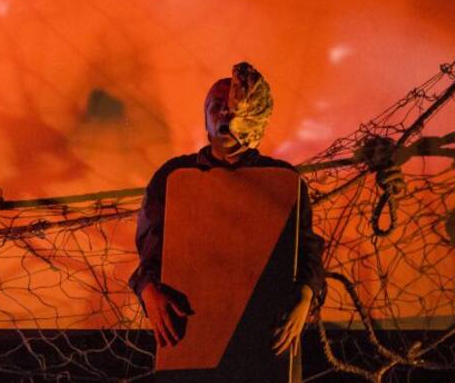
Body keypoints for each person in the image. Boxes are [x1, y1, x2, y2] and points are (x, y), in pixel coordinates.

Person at [128, 61, 327, 352]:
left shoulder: (282, 181)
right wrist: (148, 290)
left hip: (266, 330)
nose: (224, 111)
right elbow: (151, 245)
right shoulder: (173, 177)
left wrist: (306, 295)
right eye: (217, 103)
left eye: (232, 105)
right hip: (188, 327)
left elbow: (307, 247)